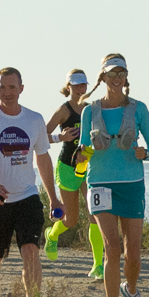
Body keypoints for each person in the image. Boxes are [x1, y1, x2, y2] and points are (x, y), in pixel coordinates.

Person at [0, 67, 61, 297]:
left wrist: (53, 197)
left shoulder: (34, 120)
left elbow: (42, 159)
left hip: (27, 196)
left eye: (12, 87)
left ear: (21, 88)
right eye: (2, 87)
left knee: (31, 250)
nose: (7, 92)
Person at [80, 54, 149, 297]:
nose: (117, 78)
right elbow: (83, 152)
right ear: (102, 77)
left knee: (133, 253)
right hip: (100, 183)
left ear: (126, 77)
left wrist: (146, 153)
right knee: (111, 248)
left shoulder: (138, 109)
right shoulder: (89, 111)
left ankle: (132, 288)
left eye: (121, 73)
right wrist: (82, 154)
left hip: (131, 183)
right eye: (111, 73)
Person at [44, 69, 91, 261]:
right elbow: (41, 137)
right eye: (76, 85)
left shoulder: (91, 109)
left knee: (95, 215)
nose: (80, 89)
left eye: (83, 85)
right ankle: (52, 235)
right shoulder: (64, 110)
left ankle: (98, 264)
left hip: (89, 165)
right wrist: (60, 137)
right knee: (71, 220)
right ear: (69, 86)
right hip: (67, 166)